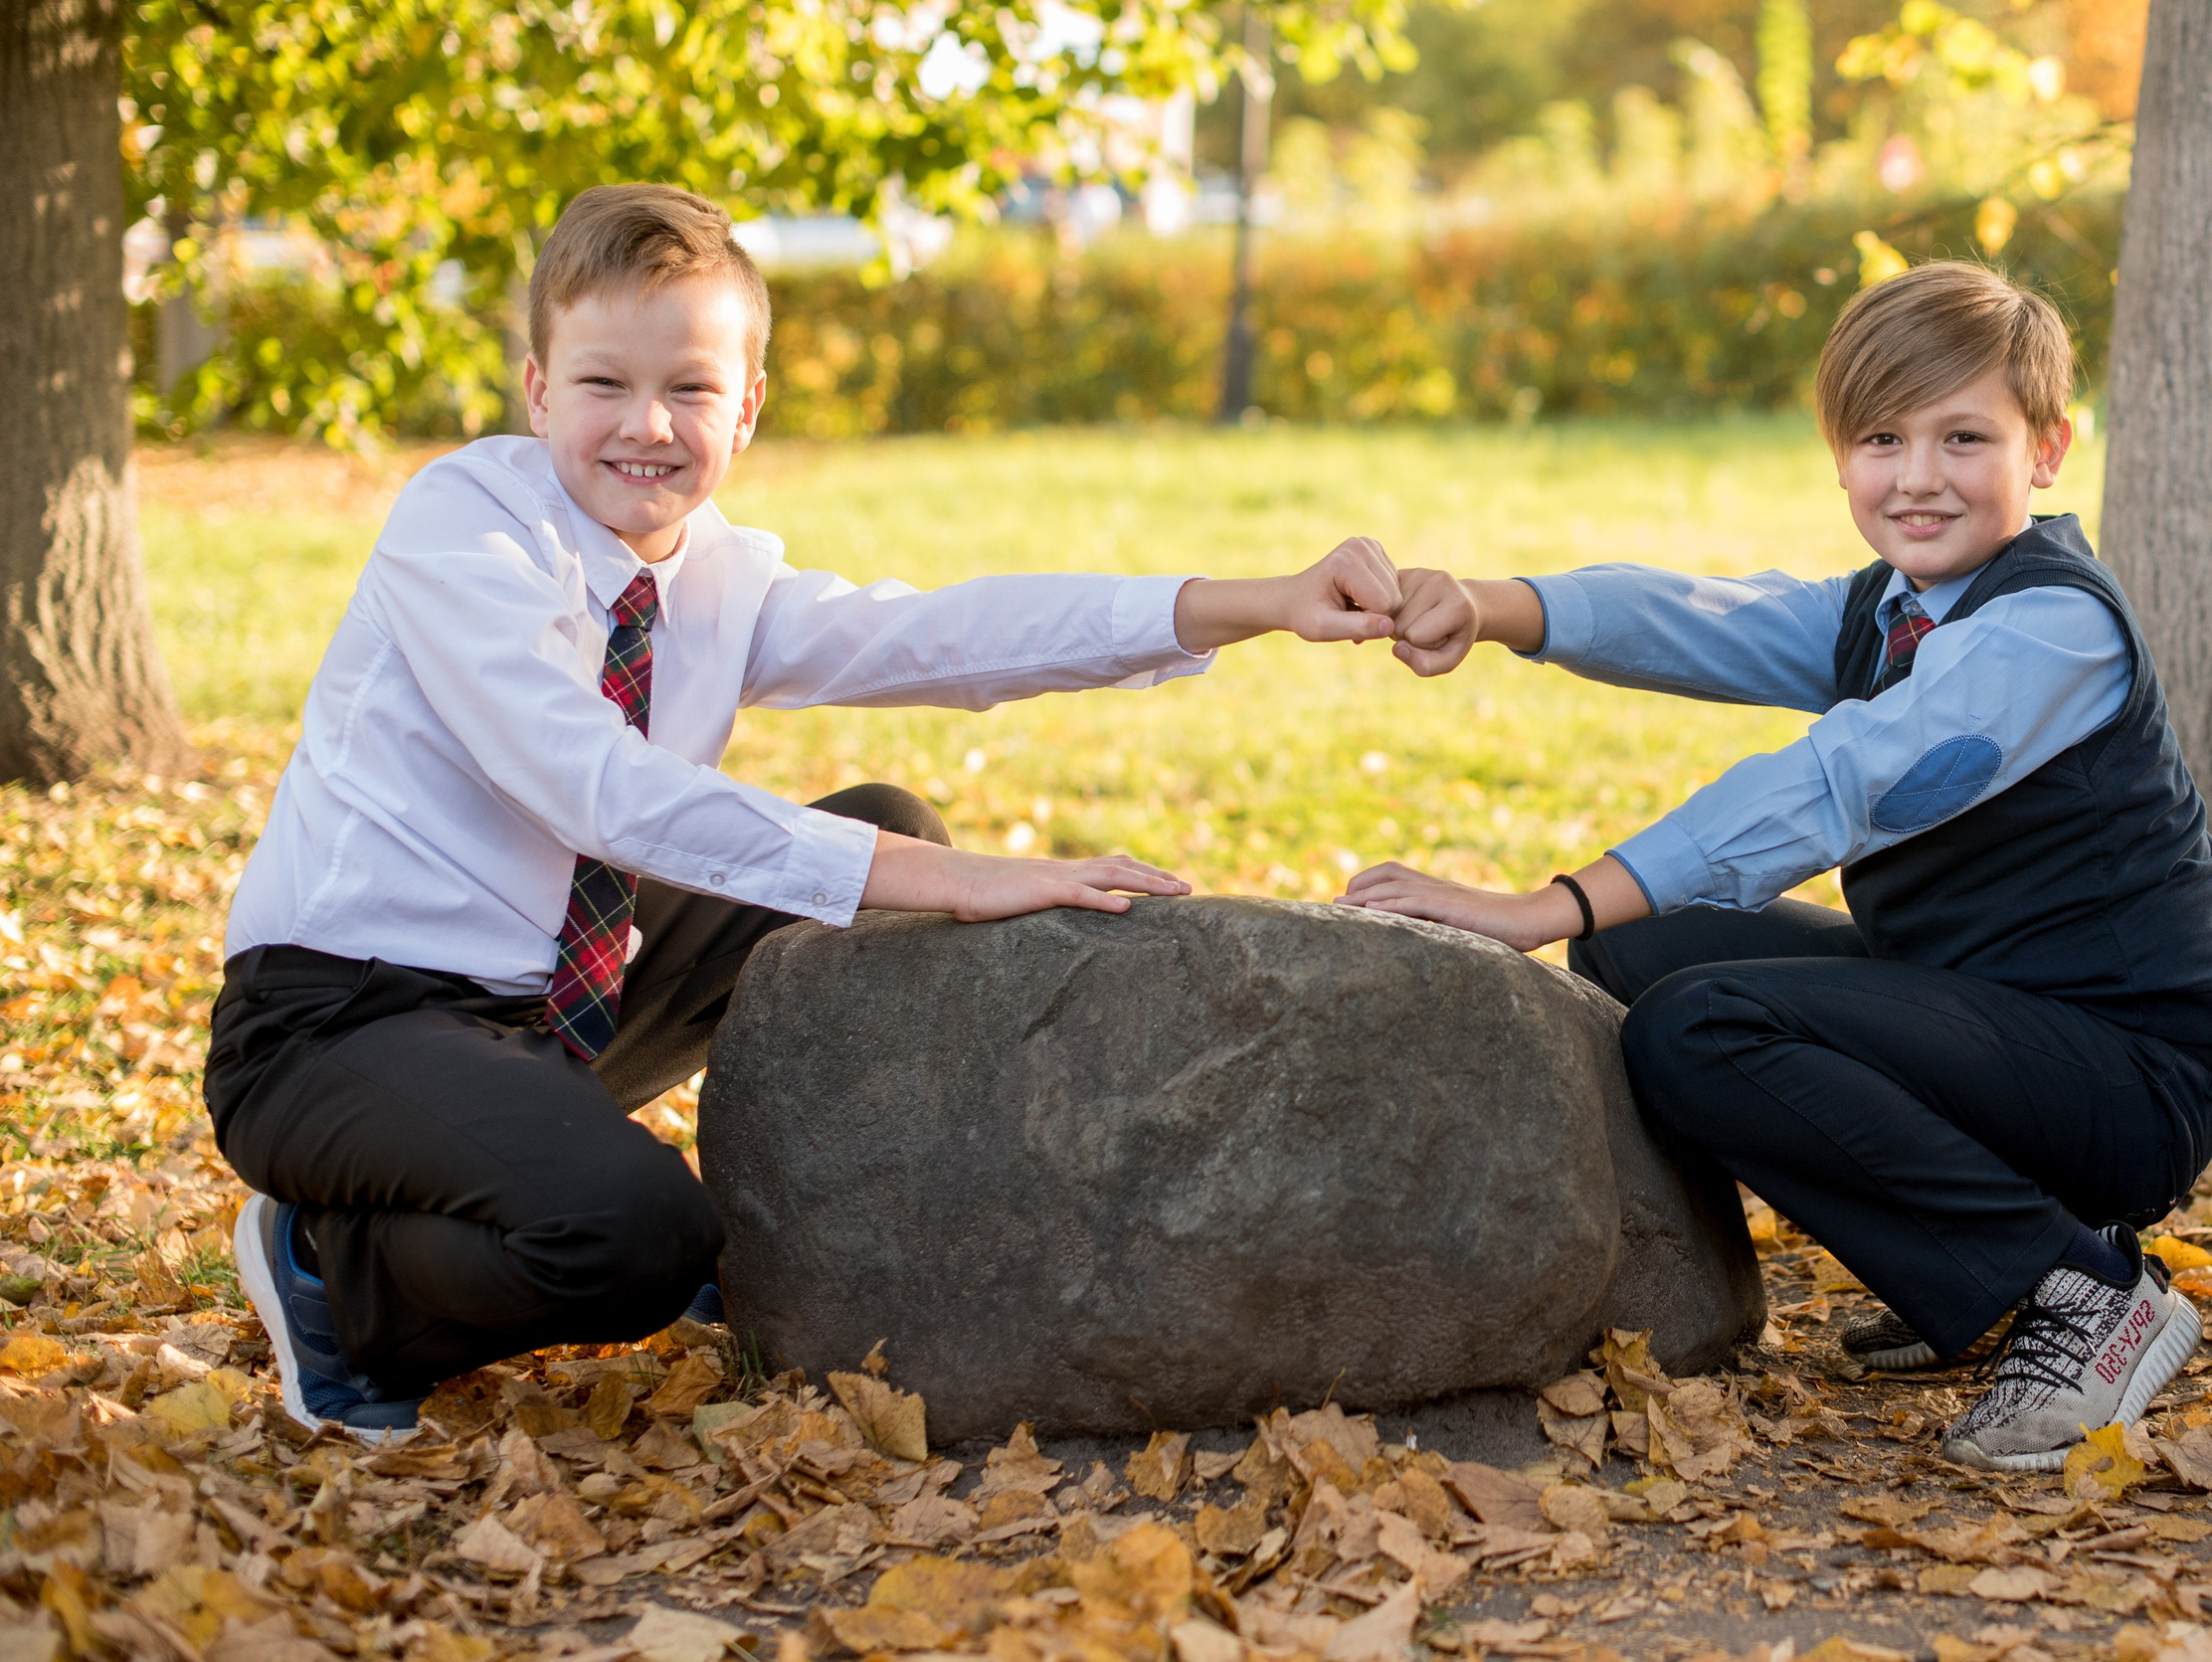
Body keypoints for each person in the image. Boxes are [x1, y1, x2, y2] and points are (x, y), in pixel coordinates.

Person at [214, 183, 1405, 1440]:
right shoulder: (462, 531)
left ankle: (793, 1203)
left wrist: (1252, 600)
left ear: (749, 405)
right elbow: (592, 787)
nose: (648, 426)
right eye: (603, 385)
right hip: (338, 1018)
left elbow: (940, 634)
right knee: (638, 1239)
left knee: (890, 815)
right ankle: (328, 1277)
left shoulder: (718, 572)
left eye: (690, 388)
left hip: (545, 1011)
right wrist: (938, 876)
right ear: (536, 391)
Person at [1342, 262, 2212, 1473]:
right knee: (1631, 948)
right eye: (1882, 437)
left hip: (2127, 1073)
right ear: (1838, 457)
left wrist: (1540, 903)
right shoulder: (1892, 605)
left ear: (2044, 450)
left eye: (1962, 436)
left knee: (1696, 1029)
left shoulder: (2048, 629)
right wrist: (1492, 605)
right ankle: (1986, 1268)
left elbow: (1837, 785)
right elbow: (1699, 613)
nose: (1917, 475)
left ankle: (2084, 1292)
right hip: (1999, 1025)